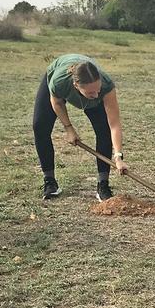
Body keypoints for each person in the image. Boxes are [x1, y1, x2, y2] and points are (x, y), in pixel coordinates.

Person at [32, 54, 128, 200]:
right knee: (40, 126)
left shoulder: (106, 86)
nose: (96, 95)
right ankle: (49, 182)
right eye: (91, 92)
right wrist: (68, 128)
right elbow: (57, 103)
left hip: (87, 91)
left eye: (98, 89)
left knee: (104, 131)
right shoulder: (59, 82)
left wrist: (118, 156)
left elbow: (114, 124)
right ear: (76, 86)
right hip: (58, 77)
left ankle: (103, 184)